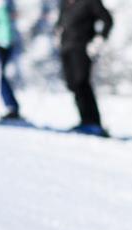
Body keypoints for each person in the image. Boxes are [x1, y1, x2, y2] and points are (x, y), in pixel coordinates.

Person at [55, 0, 112, 136]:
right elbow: (61, 21)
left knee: (82, 83)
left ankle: (93, 123)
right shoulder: (65, 2)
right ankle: (85, 121)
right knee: (73, 84)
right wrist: (58, 31)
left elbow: (107, 20)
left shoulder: (90, 1)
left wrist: (99, 40)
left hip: (83, 48)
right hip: (66, 47)